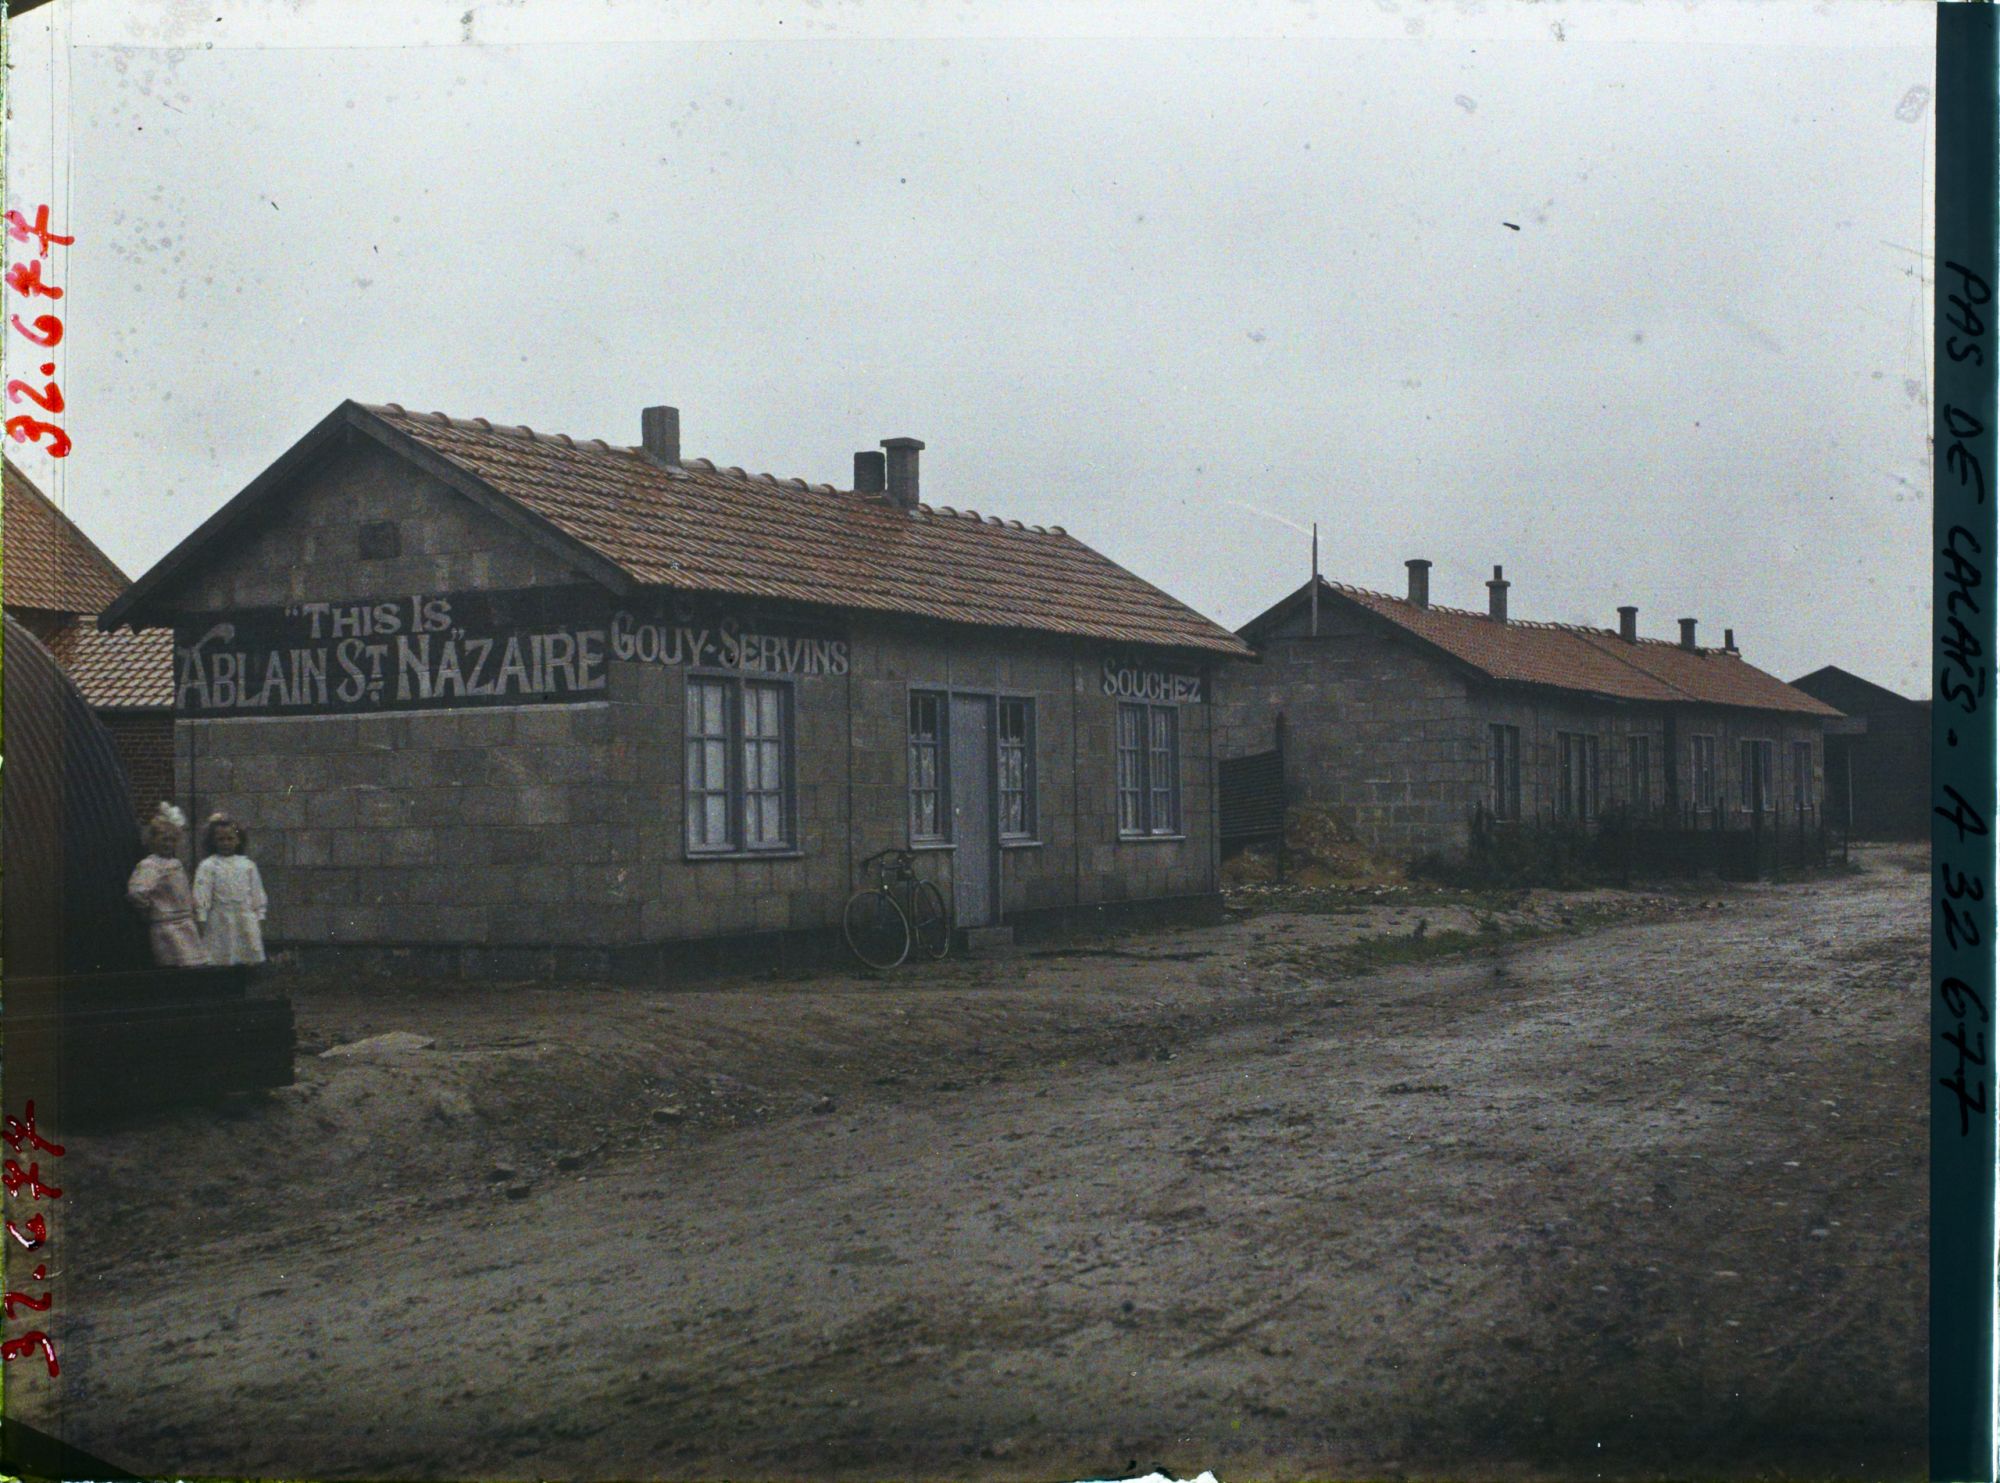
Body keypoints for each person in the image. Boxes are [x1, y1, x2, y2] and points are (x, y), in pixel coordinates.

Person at [127, 803, 207, 967]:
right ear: (152, 839)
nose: (168, 844)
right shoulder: (151, 865)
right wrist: (147, 909)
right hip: (167, 926)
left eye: (172, 840)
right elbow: (138, 891)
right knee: (175, 965)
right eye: (164, 839)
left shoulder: (175, 863)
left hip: (184, 922)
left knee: (193, 964)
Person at [193, 812, 268, 967]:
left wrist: (259, 916)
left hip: (243, 917)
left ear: (238, 840)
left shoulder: (248, 865)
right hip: (219, 919)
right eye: (221, 839)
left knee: (243, 957)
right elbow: (202, 893)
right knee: (221, 957)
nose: (225, 843)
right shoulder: (208, 865)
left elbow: (256, 893)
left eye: (230, 838)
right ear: (213, 841)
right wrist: (201, 917)